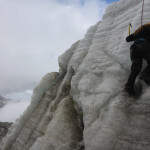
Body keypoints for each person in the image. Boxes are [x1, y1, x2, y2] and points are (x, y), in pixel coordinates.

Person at [125, 23, 150, 96]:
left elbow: (127, 39)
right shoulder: (148, 29)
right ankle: (145, 75)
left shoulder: (138, 31)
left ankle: (129, 87)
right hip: (144, 45)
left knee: (135, 68)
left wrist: (132, 36)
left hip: (134, 48)